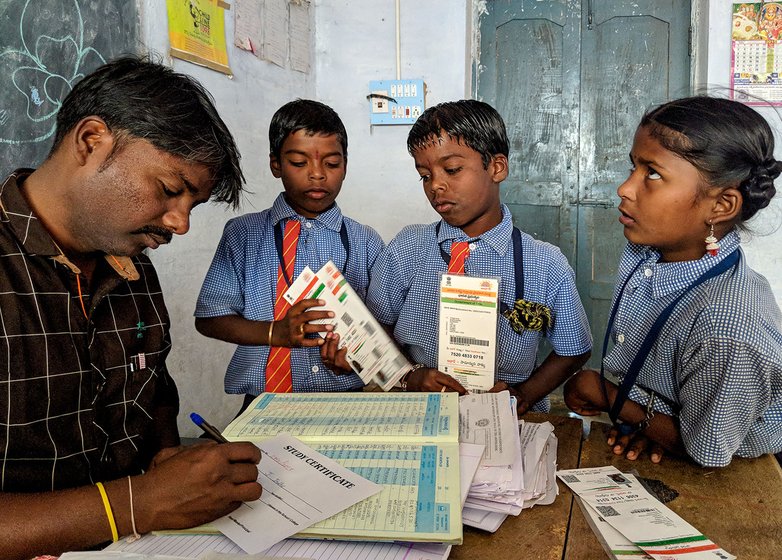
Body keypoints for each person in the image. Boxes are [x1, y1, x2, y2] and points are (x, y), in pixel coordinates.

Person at [0, 56, 262, 559]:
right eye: (169, 190)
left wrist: (168, 457)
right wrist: (136, 503)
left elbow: (154, 393)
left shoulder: (133, 270)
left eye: (192, 204)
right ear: (91, 141)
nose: (180, 223)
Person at [563, 96, 782, 468]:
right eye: (632, 167)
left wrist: (615, 400)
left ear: (721, 206)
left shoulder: (725, 325)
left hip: (739, 471)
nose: (625, 189)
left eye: (652, 174)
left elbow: (708, 450)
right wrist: (647, 424)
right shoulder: (649, 255)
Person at [366, 100, 592, 414]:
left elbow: (575, 349)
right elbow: (376, 327)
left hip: (508, 420)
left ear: (496, 167)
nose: (436, 185)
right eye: (425, 176)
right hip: (418, 410)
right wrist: (410, 375)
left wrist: (523, 394)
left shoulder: (545, 265)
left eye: (452, 169)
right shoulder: (408, 249)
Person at [195, 99, 384, 409]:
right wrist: (274, 332)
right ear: (276, 164)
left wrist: (356, 357)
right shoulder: (242, 235)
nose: (317, 175)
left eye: (332, 164)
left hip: (344, 400)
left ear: (345, 166)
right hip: (261, 403)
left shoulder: (365, 241)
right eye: (299, 162)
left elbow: (383, 326)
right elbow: (210, 318)